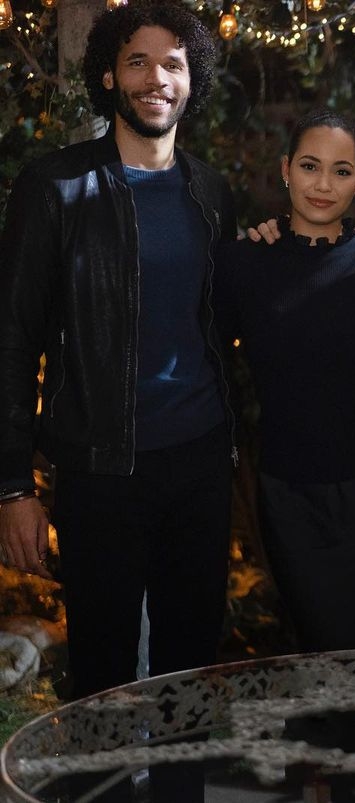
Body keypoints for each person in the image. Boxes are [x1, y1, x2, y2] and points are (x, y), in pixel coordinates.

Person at [0, 0, 234, 699]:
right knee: (102, 679)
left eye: (173, 64)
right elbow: (12, 339)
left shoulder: (211, 191)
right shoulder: (54, 187)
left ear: (192, 80)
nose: (156, 78)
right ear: (109, 76)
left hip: (200, 462)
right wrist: (13, 487)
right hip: (99, 471)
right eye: (137, 62)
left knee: (191, 675)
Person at [215, 108, 355, 656]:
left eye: (341, 170)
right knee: (319, 650)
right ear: (286, 169)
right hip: (290, 494)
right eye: (310, 166)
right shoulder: (242, 264)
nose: (324, 184)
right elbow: (205, 363)